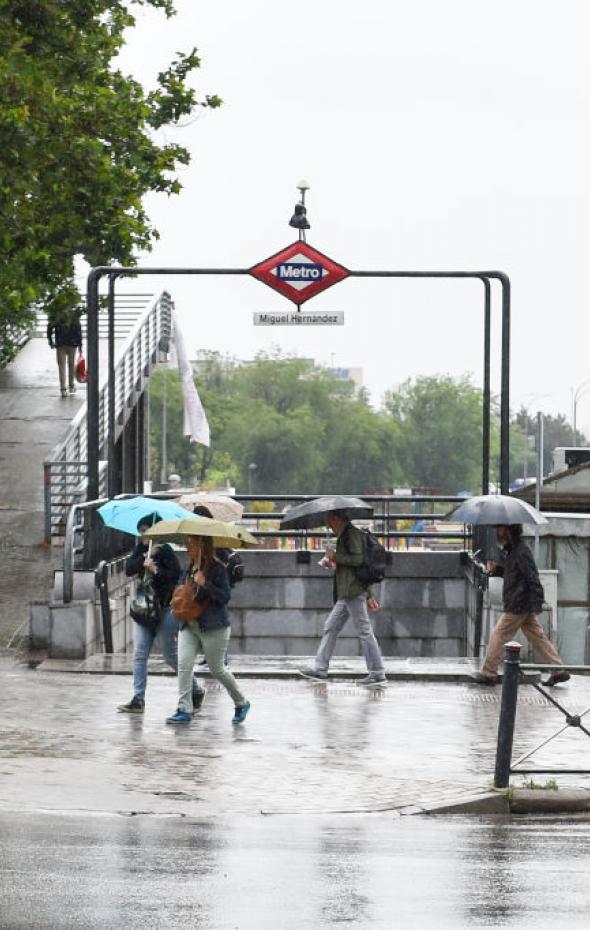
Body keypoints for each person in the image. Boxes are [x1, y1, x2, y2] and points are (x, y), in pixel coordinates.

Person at [118, 515, 205, 714]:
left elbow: (175, 577)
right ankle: (138, 699)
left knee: (169, 655)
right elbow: (129, 569)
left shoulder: (165, 551)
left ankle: (196, 689)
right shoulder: (141, 550)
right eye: (140, 531)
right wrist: (142, 560)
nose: (143, 535)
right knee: (140, 654)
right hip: (144, 611)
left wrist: (155, 569)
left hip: (165, 610)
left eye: (147, 531)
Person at [166, 534, 250, 725]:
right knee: (184, 665)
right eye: (188, 544)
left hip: (213, 627)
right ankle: (184, 709)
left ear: (202, 546)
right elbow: (183, 589)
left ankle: (241, 701)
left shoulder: (217, 569)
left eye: (192, 544)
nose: (188, 548)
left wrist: (205, 584)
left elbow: (224, 597)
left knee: (217, 669)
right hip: (189, 624)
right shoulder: (189, 568)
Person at [473, 524, 570, 687]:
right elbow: (512, 573)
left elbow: (532, 576)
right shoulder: (512, 550)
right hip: (521, 602)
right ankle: (558, 670)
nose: (497, 532)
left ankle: (489, 673)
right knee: (537, 637)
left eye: (499, 528)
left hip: (518, 603)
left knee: (499, 634)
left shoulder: (521, 551)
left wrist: (538, 602)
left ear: (508, 530)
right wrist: (496, 569)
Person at [298, 509, 386, 687]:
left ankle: (377, 673)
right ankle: (320, 670)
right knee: (330, 627)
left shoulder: (351, 534)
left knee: (364, 631)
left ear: (338, 518)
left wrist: (335, 556)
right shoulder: (345, 534)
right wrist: (333, 563)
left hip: (352, 591)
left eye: (329, 520)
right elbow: (350, 565)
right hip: (346, 592)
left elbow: (358, 560)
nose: (328, 524)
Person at [47, 312, 83, 398]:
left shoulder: (56, 314)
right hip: (72, 343)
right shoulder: (74, 314)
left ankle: (63, 389)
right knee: (71, 364)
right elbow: (78, 330)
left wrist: (51, 342)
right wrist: (80, 346)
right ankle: (71, 386)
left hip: (60, 344)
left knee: (61, 366)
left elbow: (49, 329)